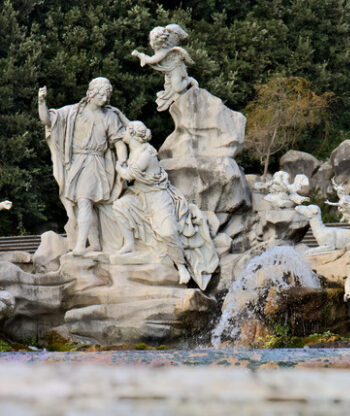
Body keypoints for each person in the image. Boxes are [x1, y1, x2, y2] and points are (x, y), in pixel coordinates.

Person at [112, 121, 219, 290]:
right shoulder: (135, 152)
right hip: (141, 198)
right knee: (120, 206)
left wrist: (119, 166)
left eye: (126, 130)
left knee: (167, 232)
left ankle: (182, 267)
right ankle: (130, 243)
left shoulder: (145, 154)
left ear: (132, 135)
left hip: (158, 198)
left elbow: (129, 175)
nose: (123, 133)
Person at [38, 77, 128, 255]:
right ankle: (94, 244)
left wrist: (122, 162)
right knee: (82, 205)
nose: (105, 98)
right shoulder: (73, 112)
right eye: (102, 94)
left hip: (95, 163)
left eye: (107, 95)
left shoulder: (109, 116)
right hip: (75, 163)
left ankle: (80, 245)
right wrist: (41, 101)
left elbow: (119, 143)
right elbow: (47, 120)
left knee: (84, 200)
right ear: (92, 93)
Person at [132, 25, 198, 111]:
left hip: (175, 70)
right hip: (169, 72)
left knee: (178, 88)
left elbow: (152, 60)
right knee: (175, 92)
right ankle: (185, 101)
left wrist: (139, 55)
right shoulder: (160, 49)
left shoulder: (163, 51)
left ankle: (189, 80)